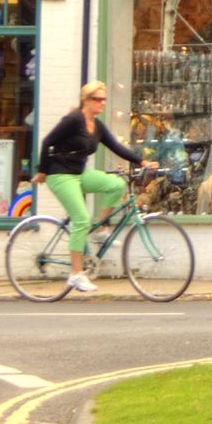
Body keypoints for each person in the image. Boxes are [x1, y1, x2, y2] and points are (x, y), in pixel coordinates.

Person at [36, 82, 155, 294]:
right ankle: (75, 274)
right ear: (86, 100)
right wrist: (42, 171)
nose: (102, 103)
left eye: (104, 99)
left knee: (116, 184)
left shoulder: (97, 125)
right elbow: (47, 142)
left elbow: (116, 147)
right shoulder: (73, 120)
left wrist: (142, 162)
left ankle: (100, 230)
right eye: (97, 99)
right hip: (60, 175)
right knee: (81, 220)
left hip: (79, 174)